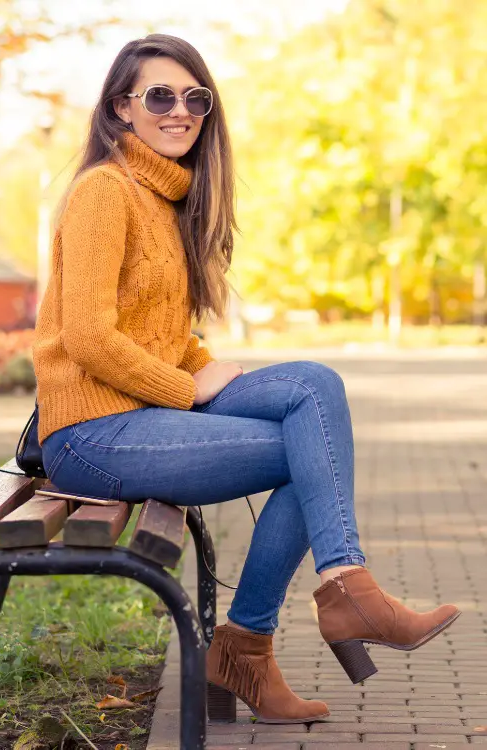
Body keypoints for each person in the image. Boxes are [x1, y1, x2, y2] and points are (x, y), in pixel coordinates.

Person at [33, 33, 461, 725]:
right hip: (91, 433)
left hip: (138, 414)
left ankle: (303, 614)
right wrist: (186, 388)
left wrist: (201, 366)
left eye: (195, 98)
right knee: (310, 449)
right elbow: (87, 337)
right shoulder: (103, 191)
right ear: (121, 110)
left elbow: (161, 336)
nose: (180, 111)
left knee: (314, 388)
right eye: (160, 96)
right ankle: (303, 617)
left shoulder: (166, 202)